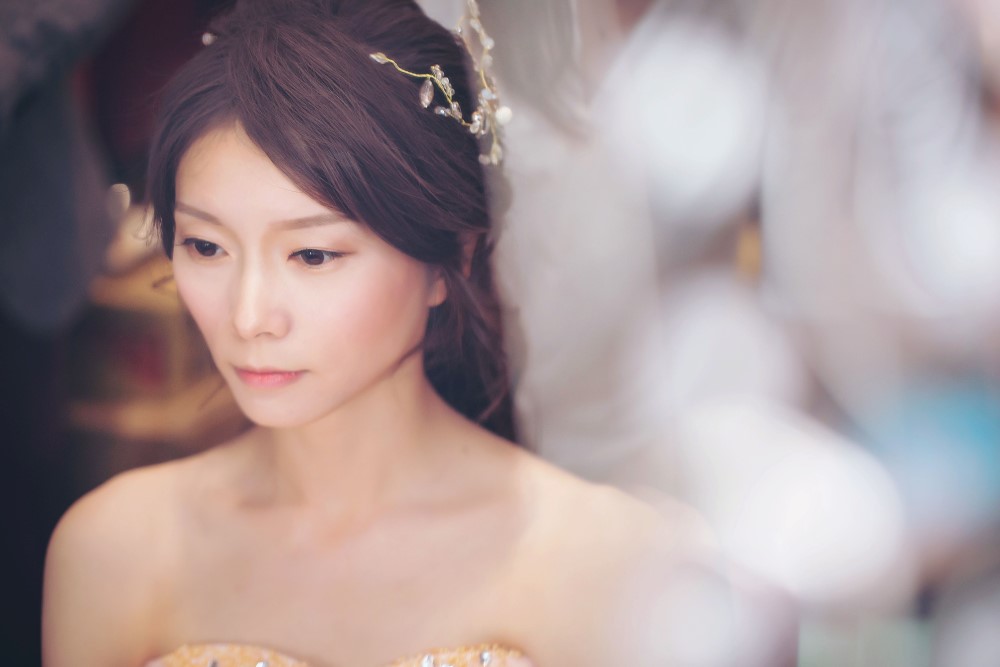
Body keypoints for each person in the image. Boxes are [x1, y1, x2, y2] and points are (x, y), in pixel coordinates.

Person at [41, 1, 715, 666]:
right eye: (207, 246)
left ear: (451, 258)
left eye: (312, 255)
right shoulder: (113, 549)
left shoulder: (611, 563)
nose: (248, 317)